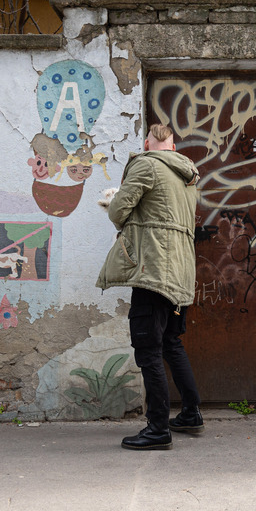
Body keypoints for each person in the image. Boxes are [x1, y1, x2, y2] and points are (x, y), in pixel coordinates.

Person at [96, 123, 203, 450]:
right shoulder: (188, 177)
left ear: (147, 143)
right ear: (173, 145)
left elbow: (119, 210)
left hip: (153, 269)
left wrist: (112, 201)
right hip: (181, 271)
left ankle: (158, 429)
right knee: (170, 341)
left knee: (148, 348)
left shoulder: (145, 164)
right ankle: (190, 412)